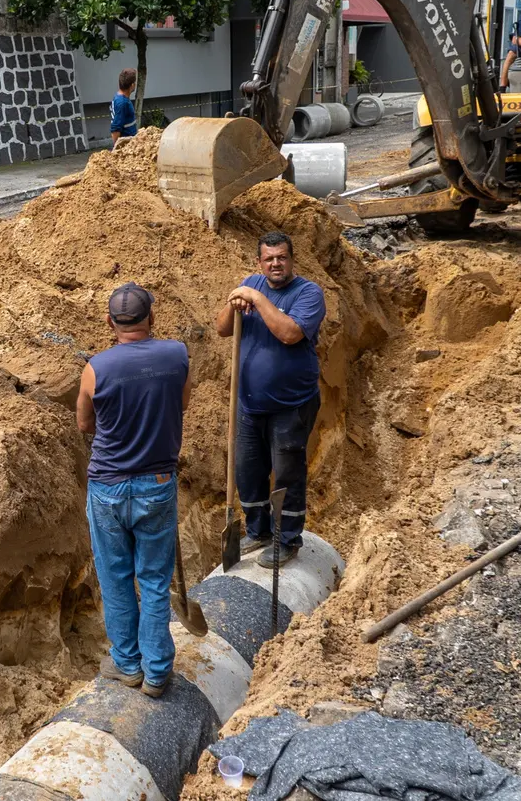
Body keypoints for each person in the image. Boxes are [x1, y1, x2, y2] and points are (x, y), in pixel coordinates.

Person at [76, 282, 191, 699]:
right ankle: (157, 672)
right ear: (151, 318)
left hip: (107, 486)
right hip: (156, 485)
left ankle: (127, 665)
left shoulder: (96, 368)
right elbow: (183, 404)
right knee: (155, 579)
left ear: (111, 323)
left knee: (116, 578)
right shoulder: (177, 355)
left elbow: (84, 424)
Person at [213, 231, 326, 569]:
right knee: (248, 471)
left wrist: (257, 299)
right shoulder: (251, 284)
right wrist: (234, 303)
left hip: (291, 406)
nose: (276, 264)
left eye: (282, 257)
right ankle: (258, 530)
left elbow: (290, 333)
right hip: (249, 405)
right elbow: (222, 329)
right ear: (259, 262)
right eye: (269, 259)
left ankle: (287, 539)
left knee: (287, 475)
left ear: (291, 259)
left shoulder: (308, 293)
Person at [109, 67, 138, 147]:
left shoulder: (119, 96)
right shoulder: (122, 103)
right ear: (132, 85)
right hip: (127, 147)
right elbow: (115, 129)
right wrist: (117, 150)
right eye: (135, 82)